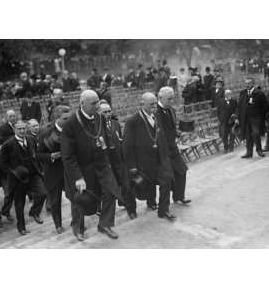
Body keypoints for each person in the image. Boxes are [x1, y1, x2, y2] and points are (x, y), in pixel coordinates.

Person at [61, 90, 121, 241]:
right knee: (81, 200)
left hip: (101, 165)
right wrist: (78, 178)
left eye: (98, 102)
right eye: (93, 103)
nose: (97, 106)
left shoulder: (100, 117)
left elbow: (105, 140)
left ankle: (105, 224)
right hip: (82, 169)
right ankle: (78, 228)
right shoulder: (70, 124)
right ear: (82, 103)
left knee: (111, 192)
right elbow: (68, 156)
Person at [122, 92, 176, 220]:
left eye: (155, 104)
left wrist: (165, 156)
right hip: (141, 163)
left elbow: (160, 137)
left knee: (166, 180)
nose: (154, 106)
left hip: (157, 160)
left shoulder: (156, 117)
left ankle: (163, 210)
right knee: (134, 187)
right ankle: (131, 210)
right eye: (151, 104)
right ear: (142, 104)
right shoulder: (132, 121)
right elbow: (127, 145)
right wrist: (132, 166)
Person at [0, 120, 47, 235]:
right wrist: (14, 172)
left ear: (26, 129)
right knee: (19, 204)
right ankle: (21, 227)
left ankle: (34, 212)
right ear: (15, 130)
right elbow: (2, 163)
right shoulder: (8, 145)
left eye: (24, 128)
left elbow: (36, 156)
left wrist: (40, 170)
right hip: (18, 179)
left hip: (33, 174)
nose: (22, 131)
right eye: (19, 129)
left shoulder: (31, 139)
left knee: (43, 193)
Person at [38, 105, 71, 234]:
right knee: (55, 201)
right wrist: (51, 156)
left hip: (70, 170)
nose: (69, 120)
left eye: (69, 117)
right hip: (53, 172)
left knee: (75, 196)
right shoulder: (46, 134)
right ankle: (58, 225)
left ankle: (77, 221)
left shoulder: (72, 130)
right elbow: (39, 154)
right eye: (65, 118)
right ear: (57, 118)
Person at [157, 87, 191, 204]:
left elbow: (171, 127)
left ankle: (179, 196)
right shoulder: (155, 111)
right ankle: (157, 203)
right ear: (160, 98)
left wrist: (179, 133)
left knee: (182, 170)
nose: (171, 102)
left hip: (172, 147)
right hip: (161, 151)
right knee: (167, 177)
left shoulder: (171, 110)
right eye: (169, 99)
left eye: (172, 99)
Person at [238, 77, 269, 158]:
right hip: (246, 119)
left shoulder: (259, 93)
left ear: (253, 84)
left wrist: (260, 115)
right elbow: (240, 106)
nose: (247, 85)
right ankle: (249, 152)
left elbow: (266, 106)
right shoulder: (242, 93)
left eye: (249, 83)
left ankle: (259, 150)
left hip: (256, 118)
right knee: (248, 135)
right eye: (246, 83)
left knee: (256, 134)